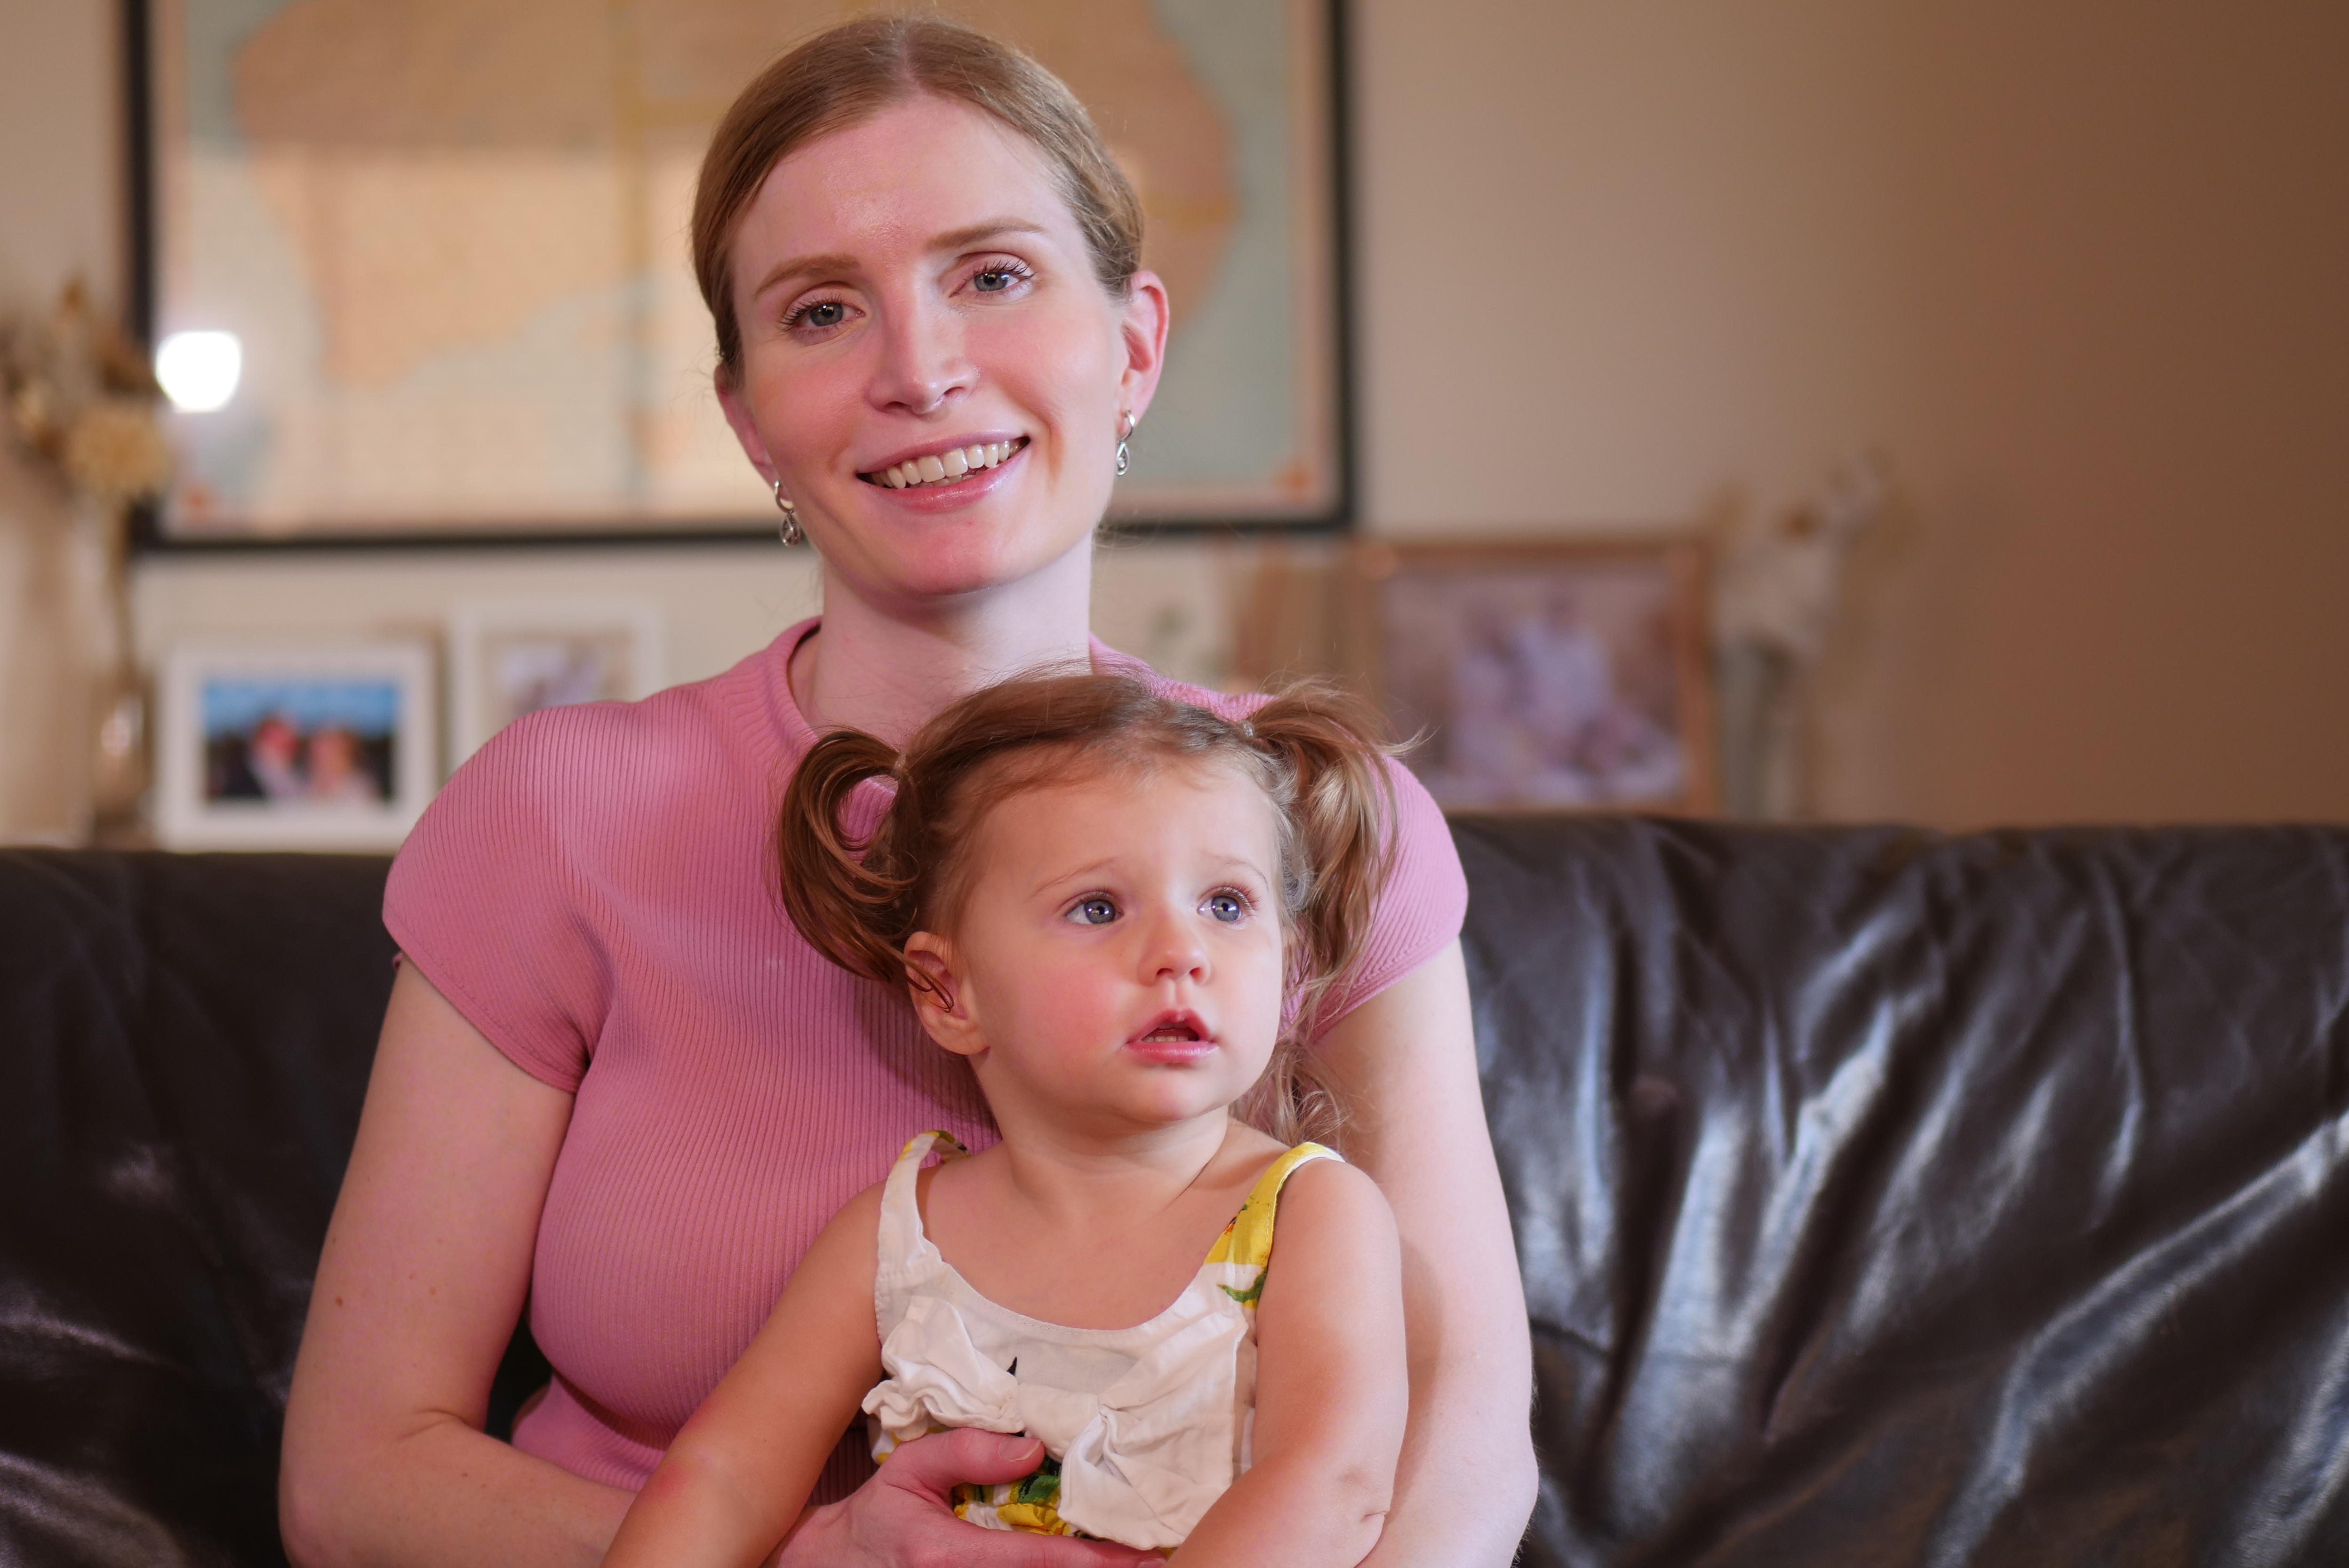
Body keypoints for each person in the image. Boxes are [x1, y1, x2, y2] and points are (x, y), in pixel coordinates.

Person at [279, 17, 1534, 1568]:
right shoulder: (558, 811)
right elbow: (356, 1478)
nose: (923, 370)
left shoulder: (1316, 810)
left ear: (1133, 343)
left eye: (993, 275)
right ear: (751, 420)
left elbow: (1460, 1450)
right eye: (822, 311)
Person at [601, 671, 1409, 1566]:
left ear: (1288, 968)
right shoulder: (902, 1229)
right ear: (948, 991)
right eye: (1098, 907)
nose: (1183, 953)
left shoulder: (1311, 1214)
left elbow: (1334, 1484)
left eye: (1227, 904)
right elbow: (724, 1476)